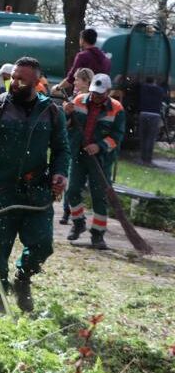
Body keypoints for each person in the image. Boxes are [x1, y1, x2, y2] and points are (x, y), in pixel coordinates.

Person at [0, 57, 70, 314]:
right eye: (12, 78)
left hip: (38, 191)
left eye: (21, 80)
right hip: (2, 192)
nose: (14, 83)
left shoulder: (51, 112)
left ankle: (23, 279)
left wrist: (60, 173)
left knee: (43, 245)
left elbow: (62, 149)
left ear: (37, 83)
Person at [64, 73, 126, 250]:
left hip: (101, 159)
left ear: (108, 91)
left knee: (99, 196)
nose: (95, 97)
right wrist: (66, 113)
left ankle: (98, 235)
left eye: (100, 94)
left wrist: (99, 146)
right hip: (78, 154)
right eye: (93, 93)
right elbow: (66, 124)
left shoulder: (117, 109)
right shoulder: (78, 100)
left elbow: (117, 137)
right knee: (72, 191)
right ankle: (78, 223)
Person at [59, 67, 94, 225]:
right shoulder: (74, 98)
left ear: (86, 81)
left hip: (84, 146)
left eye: (77, 79)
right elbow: (65, 122)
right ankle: (67, 212)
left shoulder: (89, 100)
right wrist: (66, 112)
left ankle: (70, 212)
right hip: (73, 143)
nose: (75, 82)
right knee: (71, 181)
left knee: (74, 182)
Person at [54, 28, 111, 93]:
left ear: (82, 40)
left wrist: (57, 88)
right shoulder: (106, 59)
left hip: (84, 96)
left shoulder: (82, 56)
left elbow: (71, 79)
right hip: (100, 95)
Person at [137, 77, 167, 165]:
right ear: (154, 81)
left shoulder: (143, 88)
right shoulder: (160, 90)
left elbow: (137, 85)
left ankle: (142, 158)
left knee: (143, 137)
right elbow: (165, 90)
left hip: (143, 114)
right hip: (155, 115)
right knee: (151, 138)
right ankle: (148, 159)